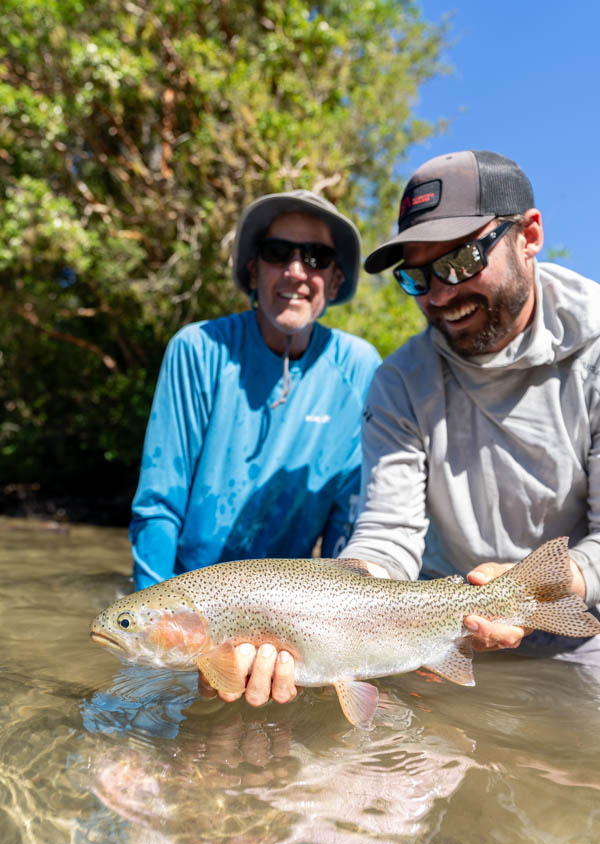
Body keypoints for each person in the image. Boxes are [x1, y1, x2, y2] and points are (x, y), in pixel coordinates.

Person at [338, 149, 600, 661]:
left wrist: (553, 582)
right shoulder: (400, 382)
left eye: (459, 262)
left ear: (529, 237)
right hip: (440, 634)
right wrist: (341, 599)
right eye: (417, 279)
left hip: (582, 629)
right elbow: (387, 535)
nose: (439, 297)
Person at [129, 189, 381, 704]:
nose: (295, 270)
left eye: (316, 258)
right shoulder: (196, 351)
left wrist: (347, 647)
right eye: (277, 252)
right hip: (190, 612)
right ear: (251, 270)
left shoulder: (359, 368)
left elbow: (349, 522)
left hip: (295, 622)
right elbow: (159, 506)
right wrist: (157, 665)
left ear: (334, 280)